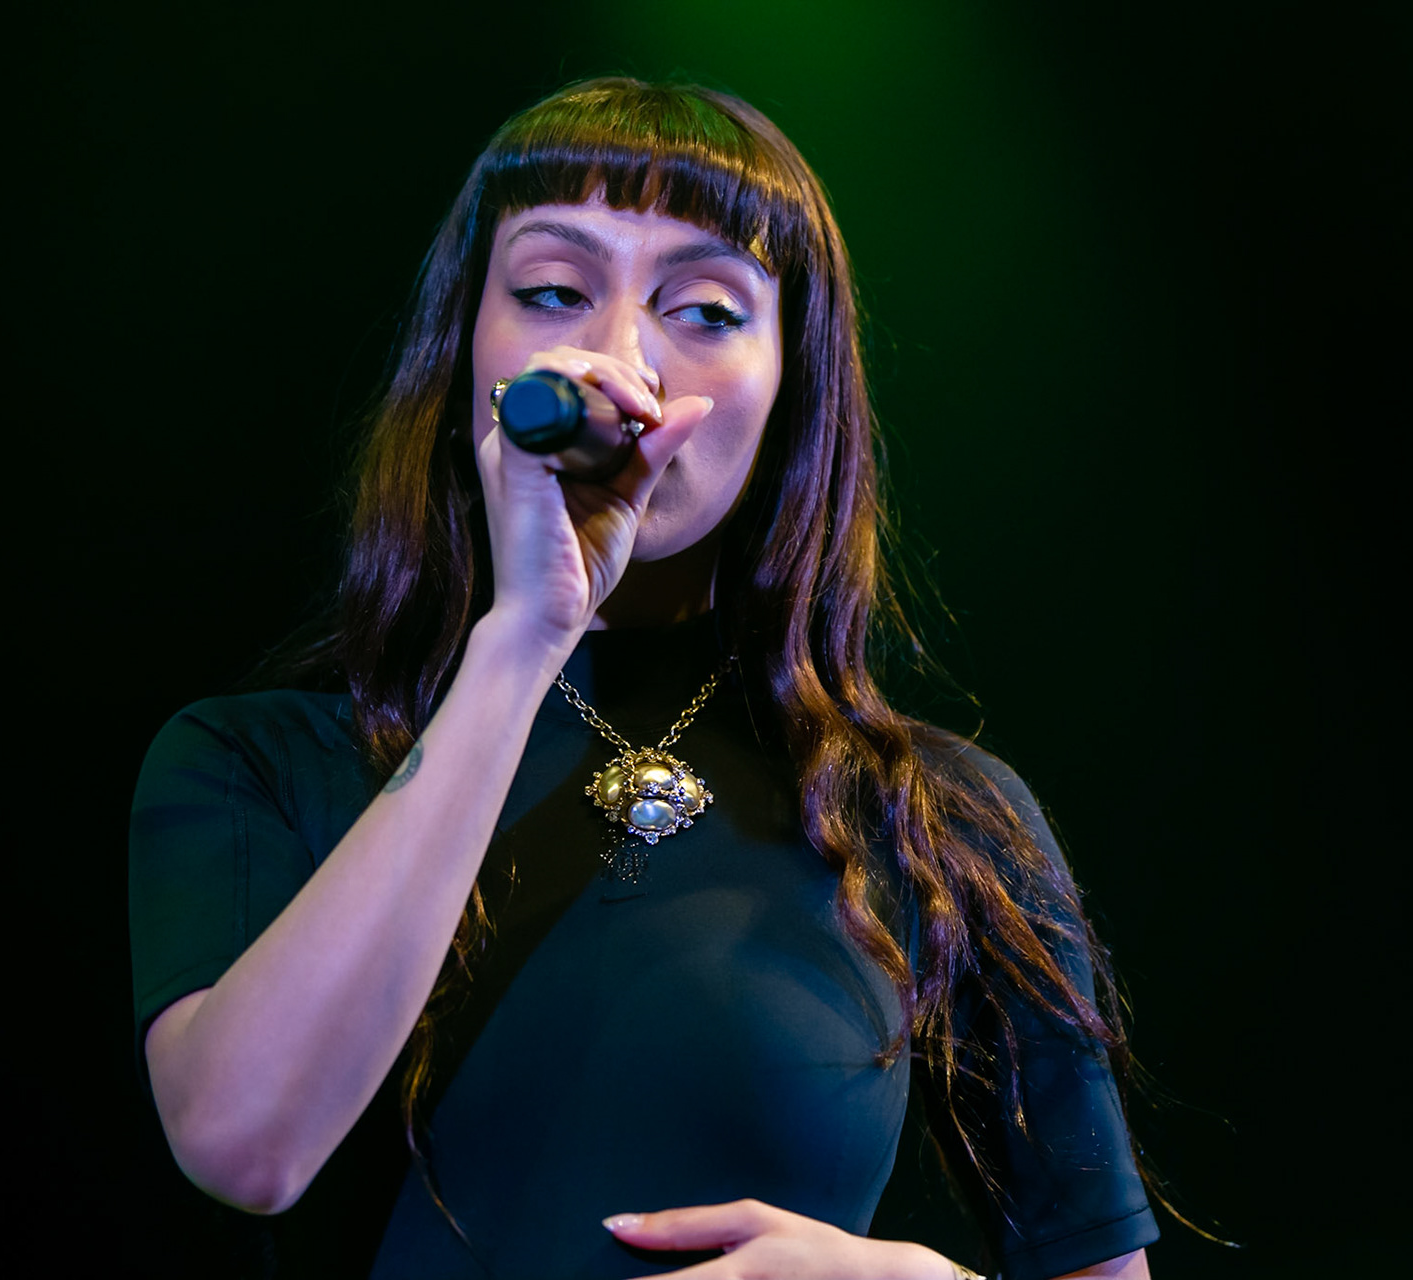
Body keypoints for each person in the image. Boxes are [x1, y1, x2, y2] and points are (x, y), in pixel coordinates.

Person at [130, 77, 1159, 1279]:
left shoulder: (938, 817)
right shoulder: (258, 762)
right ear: (472, 350)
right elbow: (245, 1145)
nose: (619, 359)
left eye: (707, 310)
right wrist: (524, 638)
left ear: (793, 386)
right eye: (554, 292)